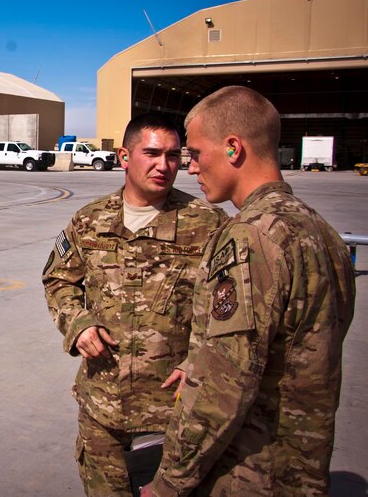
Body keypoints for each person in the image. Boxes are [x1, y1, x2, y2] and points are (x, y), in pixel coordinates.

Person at [141, 86, 356, 496]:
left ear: (233, 149)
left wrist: (169, 483)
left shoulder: (249, 237)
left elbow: (222, 390)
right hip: (301, 468)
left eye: (196, 154)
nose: (190, 169)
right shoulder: (321, 231)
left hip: (248, 474)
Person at [43, 113, 227, 496]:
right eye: (153, 153)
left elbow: (229, 312)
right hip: (103, 403)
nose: (165, 165)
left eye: (175, 156)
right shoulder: (90, 220)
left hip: (176, 408)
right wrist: (78, 324)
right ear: (125, 156)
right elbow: (59, 278)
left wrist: (199, 359)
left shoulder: (208, 225)